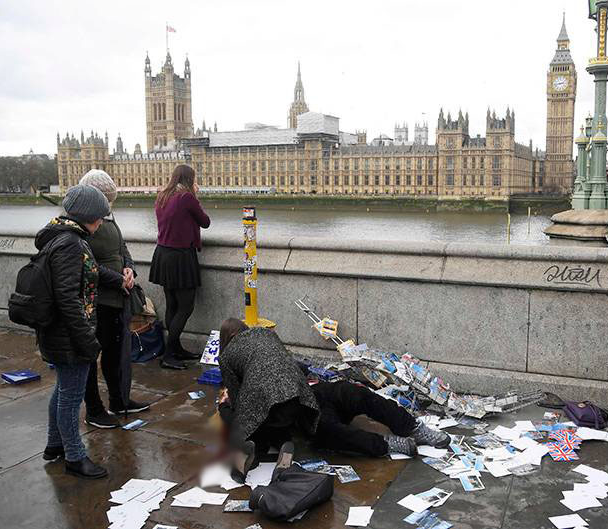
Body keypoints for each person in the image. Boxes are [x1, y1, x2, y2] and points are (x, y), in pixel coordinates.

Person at [37, 184, 112, 479]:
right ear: (88, 215)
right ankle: (74, 457)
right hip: (69, 334)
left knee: (63, 389)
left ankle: (54, 445)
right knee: (71, 396)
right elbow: (67, 298)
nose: (102, 221)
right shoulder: (70, 243)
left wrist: (118, 279)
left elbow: (88, 272)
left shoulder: (63, 237)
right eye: (100, 215)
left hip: (60, 332)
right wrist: (87, 339)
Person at [78, 170, 150, 430]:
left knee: (115, 354)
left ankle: (119, 400)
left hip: (117, 298)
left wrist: (129, 268)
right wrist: (117, 278)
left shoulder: (107, 216)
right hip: (97, 300)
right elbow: (86, 264)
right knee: (91, 358)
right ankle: (94, 409)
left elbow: (122, 248)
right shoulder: (81, 224)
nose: (109, 206)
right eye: (106, 201)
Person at [217, 318, 320, 481]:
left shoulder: (226, 355)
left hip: (267, 399)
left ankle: (241, 459)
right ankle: (284, 444)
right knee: (273, 417)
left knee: (245, 421)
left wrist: (223, 405)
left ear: (227, 336)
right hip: (298, 397)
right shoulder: (267, 333)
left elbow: (238, 402)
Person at [149, 164, 210, 370]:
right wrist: (195, 195)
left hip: (163, 254)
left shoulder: (162, 196)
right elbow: (205, 222)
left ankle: (176, 349)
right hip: (181, 256)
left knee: (172, 304)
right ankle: (168, 355)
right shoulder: (187, 198)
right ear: (189, 179)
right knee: (186, 306)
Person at [310, 380, 451, 458]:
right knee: (326, 427)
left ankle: (412, 427)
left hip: (315, 389)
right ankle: (385, 444)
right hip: (303, 407)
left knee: (353, 392)